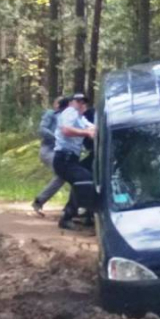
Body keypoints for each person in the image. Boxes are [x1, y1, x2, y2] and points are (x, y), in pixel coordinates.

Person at [53, 93, 96, 230]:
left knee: (84, 180)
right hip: (64, 158)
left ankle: (82, 213)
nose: (81, 104)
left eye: (83, 101)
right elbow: (66, 130)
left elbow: (93, 128)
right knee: (85, 180)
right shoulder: (70, 112)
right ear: (71, 102)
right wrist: (86, 133)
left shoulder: (80, 117)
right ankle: (68, 217)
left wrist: (93, 130)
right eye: (78, 101)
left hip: (71, 159)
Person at [32, 96, 70, 216]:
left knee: (63, 176)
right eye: (58, 103)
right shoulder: (51, 114)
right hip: (48, 150)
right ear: (55, 105)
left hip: (61, 152)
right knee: (63, 173)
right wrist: (56, 137)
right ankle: (72, 209)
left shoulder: (69, 118)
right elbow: (42, 129)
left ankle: (39, 201)